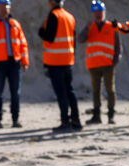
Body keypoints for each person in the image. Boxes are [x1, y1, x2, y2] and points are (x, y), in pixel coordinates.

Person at [0, 0, 29, 129]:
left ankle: (15, 119)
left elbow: (23, 44)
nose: (3, 9)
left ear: (10, 8)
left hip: (15, 63)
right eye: (1, 6)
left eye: (6, 6)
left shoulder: (15, 24)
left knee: (15, 92)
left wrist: (25, 61)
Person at [38, 0, 82, 132]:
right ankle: (76, 120)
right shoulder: (69, 16)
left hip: (55, 61)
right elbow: (73, 41)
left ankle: (65, 121)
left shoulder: (53, 16)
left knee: (61, 92)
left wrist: (41, 30)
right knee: (69, 90)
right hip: (67, 60)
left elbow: (49, 37)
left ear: (51, 2)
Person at [80, 1, 126, 125]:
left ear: (104, 12)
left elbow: (118, 47)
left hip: (108, 65)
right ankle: (96, 116)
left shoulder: (112, 27)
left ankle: (111, 115)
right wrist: (86, 28)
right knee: (96, 91)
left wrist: (114, 61)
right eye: (95, 13)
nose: (98, 15)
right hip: (93, 65)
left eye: (100, 12)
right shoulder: (90, 27)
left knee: (110, 90)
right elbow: (80, 39)